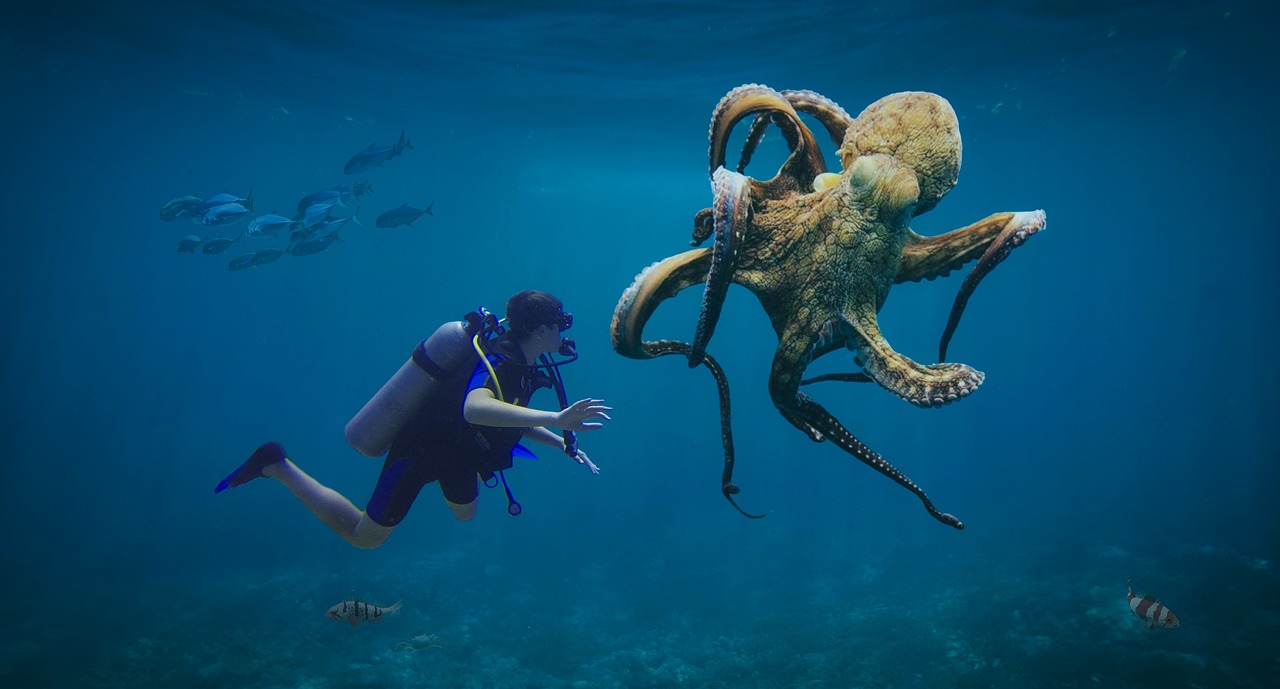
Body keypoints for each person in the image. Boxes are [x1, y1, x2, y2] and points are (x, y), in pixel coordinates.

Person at [214, 290, 611, 549]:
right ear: (541, 330)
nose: (564, 334)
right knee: (365, 539)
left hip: (459, 451)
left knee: (465, 514)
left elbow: (510, 415)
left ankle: (442, 479)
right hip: (422, 450)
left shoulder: (523, 361)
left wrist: (561, 443)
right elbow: (476, 407)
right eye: (562, 325)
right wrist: (557, 418)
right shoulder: (502, 361)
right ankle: (276, 464)